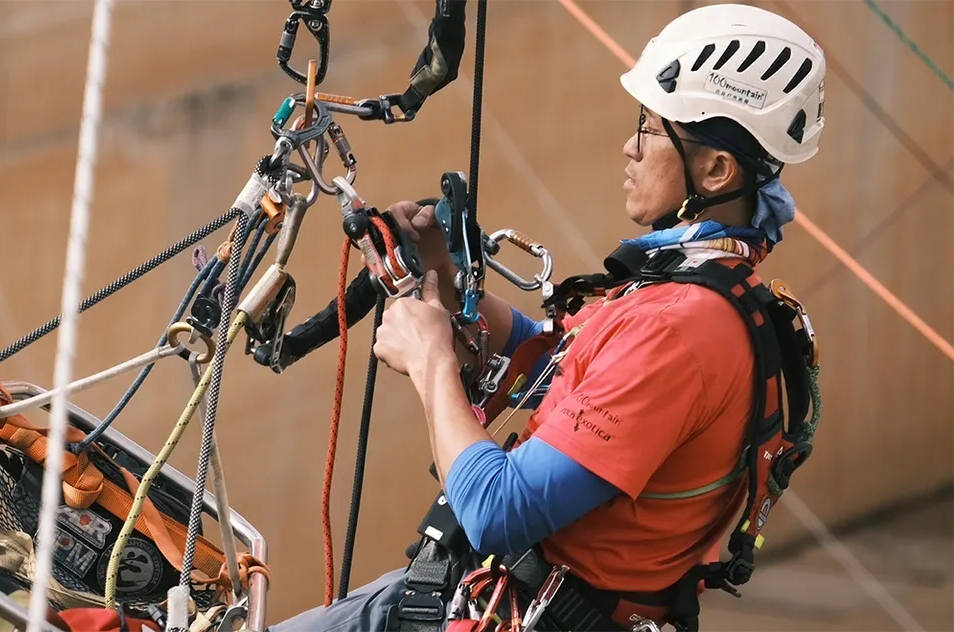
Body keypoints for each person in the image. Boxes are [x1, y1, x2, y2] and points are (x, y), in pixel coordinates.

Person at [270, 4, 825, 632]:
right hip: (477, 593)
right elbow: (560, 368)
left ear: (717, 170)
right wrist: (446, 284)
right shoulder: (694, 293)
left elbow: (500, 509)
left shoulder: (681, 329)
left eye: (650, 128)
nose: (630, 145)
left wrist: (432, 363)